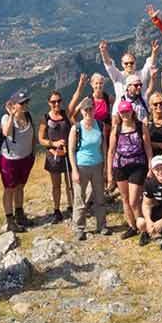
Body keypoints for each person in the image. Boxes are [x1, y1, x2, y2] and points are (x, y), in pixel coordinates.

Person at [107, 98, 153, 239]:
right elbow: (111, 151)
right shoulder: (117, 129)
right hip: (120, 166)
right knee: (125, 199)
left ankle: (143, 229)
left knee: (134, 200)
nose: (125, 114)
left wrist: (150, 166)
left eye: (127, 111)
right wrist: (109, 173)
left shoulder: (140, 126)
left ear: (132, 111)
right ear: (119, 113)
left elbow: (148, 147)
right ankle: (132, 227)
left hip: (137, 165)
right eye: (122, 112)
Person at [68, 98, 109, 239]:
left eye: (91, 109)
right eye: (86, 110)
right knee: (80, 198)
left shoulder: (100, 125)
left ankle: (102, 225)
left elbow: (103, 145)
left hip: (97, 165)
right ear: (81, 111)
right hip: (81, 166)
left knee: (100, 197)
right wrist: (74, 170)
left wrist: (104, 166)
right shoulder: (76, 128)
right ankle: (79, 227)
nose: (88, 112)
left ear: (95, 109)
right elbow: (71, 150)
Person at [0, 90, 36, 233]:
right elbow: (6, 132)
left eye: (26, 102)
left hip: (25, 158)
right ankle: (10, 220)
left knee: (20, 186)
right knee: (9, 189)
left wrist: (32, 154)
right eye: (21, 103)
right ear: (14, 105)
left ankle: (20, 214)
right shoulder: (6, 118)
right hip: (10, 160)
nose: (25, 105)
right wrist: (11, 114)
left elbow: (32, 135)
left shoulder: (28, 116)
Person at [39, 89, 76, 223]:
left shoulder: (66, 115)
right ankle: (57, 210)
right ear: (49, 103)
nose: (56, 104)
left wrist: (80, 86)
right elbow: (41, 139)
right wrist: (53, 144)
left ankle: (72, 206)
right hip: (53, 156)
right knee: (56, 185)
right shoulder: (45, 118)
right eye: (53, 102)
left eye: (59, 101)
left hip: (67, 154)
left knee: (70, 183)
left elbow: (74, 102)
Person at [99, 39, 156, 104]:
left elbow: (150, 64)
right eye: (126, 63)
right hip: (121, 111)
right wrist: (104, 52)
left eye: (131, 63)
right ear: (122, 64)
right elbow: (108, 64)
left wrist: (154, 52)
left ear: (135, 63)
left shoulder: (141, 74)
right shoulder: (117, 75)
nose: (129, 65)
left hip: (140, 109)